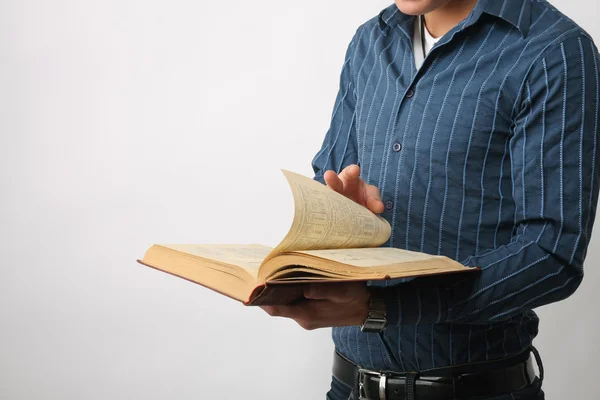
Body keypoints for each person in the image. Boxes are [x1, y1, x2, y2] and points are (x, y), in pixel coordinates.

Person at [261, 0, 600, 398]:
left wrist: (383, 307)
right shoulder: (371, 40)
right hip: (349, 385)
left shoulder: (555, 50)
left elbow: (551, 255)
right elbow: (329, 179)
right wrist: (339, 217)